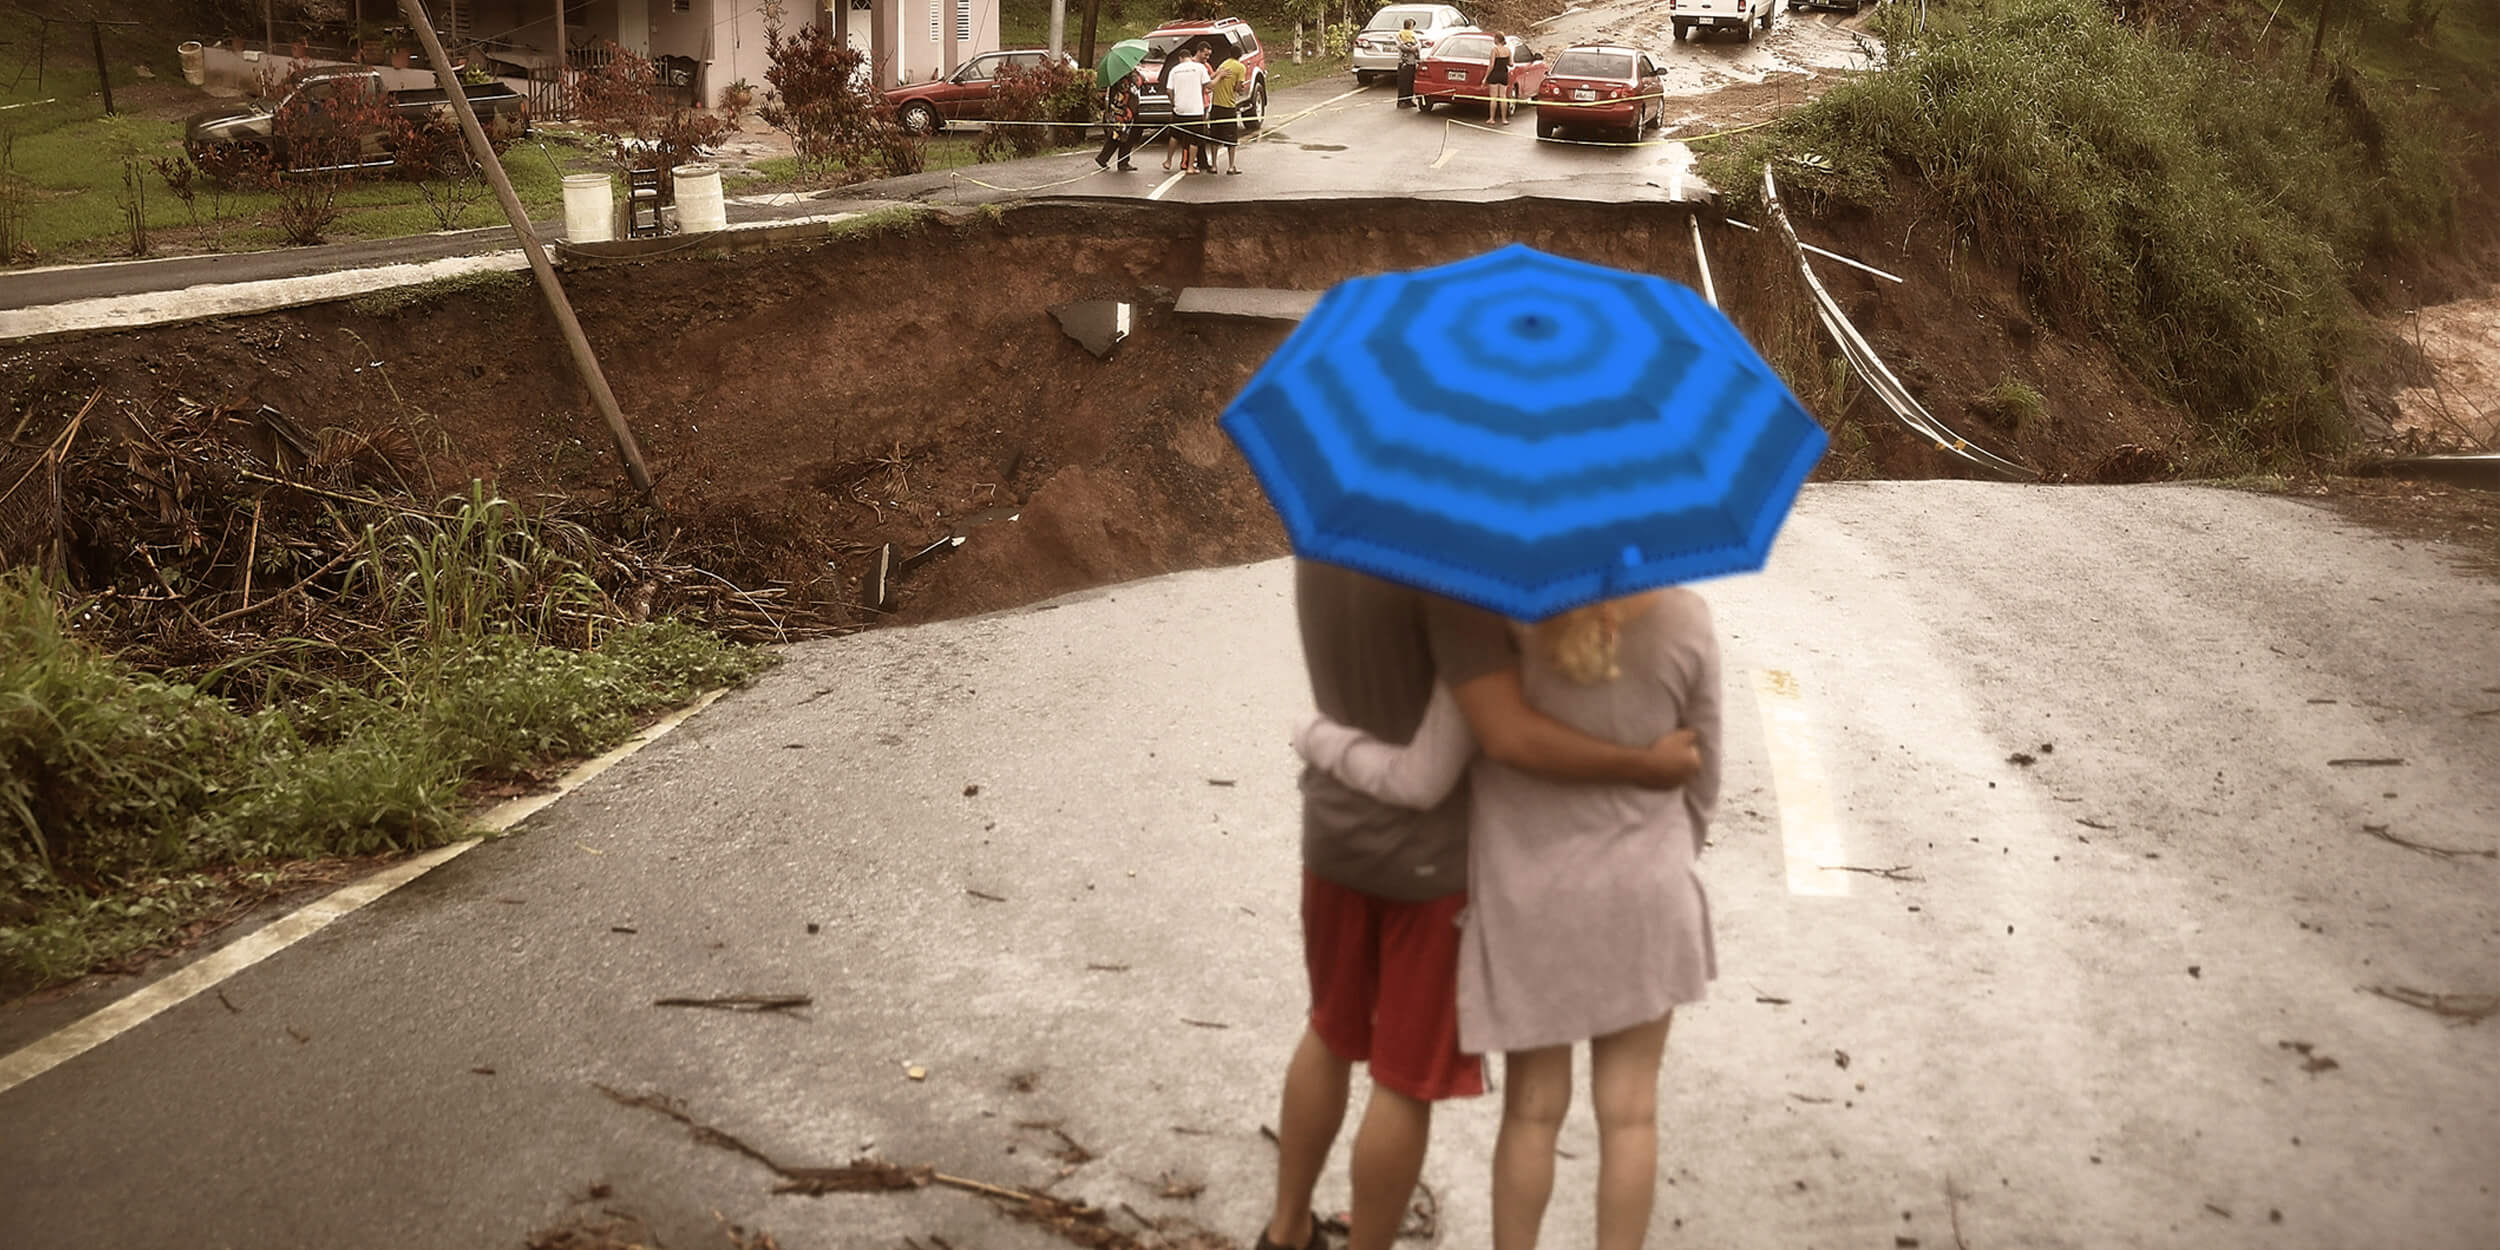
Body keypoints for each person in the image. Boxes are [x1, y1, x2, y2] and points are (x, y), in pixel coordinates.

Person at [1255, 563, 1704, 1250]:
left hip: (1335, 836)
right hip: (1427, 862)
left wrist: (1320, 739)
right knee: (1403, 1082)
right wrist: (1649, 778)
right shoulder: (1457, 582)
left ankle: (1285, 1231)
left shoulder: (1327, 549)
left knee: (1329, 1032)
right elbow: (1500, 739)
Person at [1163, 43, 1215, 174]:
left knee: (1174, 135)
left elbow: (1169, 90)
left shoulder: (1174, 70)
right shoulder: (1199, 67)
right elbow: (1209, 85)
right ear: (1189, 57)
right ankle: (1191, 166)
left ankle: (1168, 161)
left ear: (1180, 58)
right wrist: (1219, 76)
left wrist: (1173, 103)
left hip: (1180, 108)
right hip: (1195, 109)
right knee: (1194, 138)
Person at [1208, 44, 1248, 174]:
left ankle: (1214, 165)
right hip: (1228, 106)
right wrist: (1241, 90)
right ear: (1240, 55)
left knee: (1215, 137)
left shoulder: (1223, 64)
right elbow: (1237, 87)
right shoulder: (1240, 67)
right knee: (1231, 138)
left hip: (1215, 105)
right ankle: (1231, 166)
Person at [1096, 67, 1143, 171]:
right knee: (1119, 136)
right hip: (1123, 112)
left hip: (1125, 111)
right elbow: (1135, 86)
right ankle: (1108, 159)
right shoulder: (1123, 78)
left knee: (1123, 136)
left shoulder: (1121, 76)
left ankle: (1118, 160)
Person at [1485, 33, 1515, 125]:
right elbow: (1511, 64)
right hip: (1503, 74)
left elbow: (1491, 65)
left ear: (1497, 39)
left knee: (1493, 98)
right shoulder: (1508, 50)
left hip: (1494, 74)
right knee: (1503, 97)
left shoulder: (1494, 50)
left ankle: (1492, 118)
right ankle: (1504, 119)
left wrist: (1485, 77)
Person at [1395, 18, 1422, 108]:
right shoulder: (1399, 34)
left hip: (1412, 61)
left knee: (1410, 82)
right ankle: (1401, 101)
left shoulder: (1414, 34)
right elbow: (1399, 45)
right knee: (1403, 82)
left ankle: (1409, 100)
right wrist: (1409, 48)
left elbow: (1419, 44)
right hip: (1404, 62)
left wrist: (1415, 48)